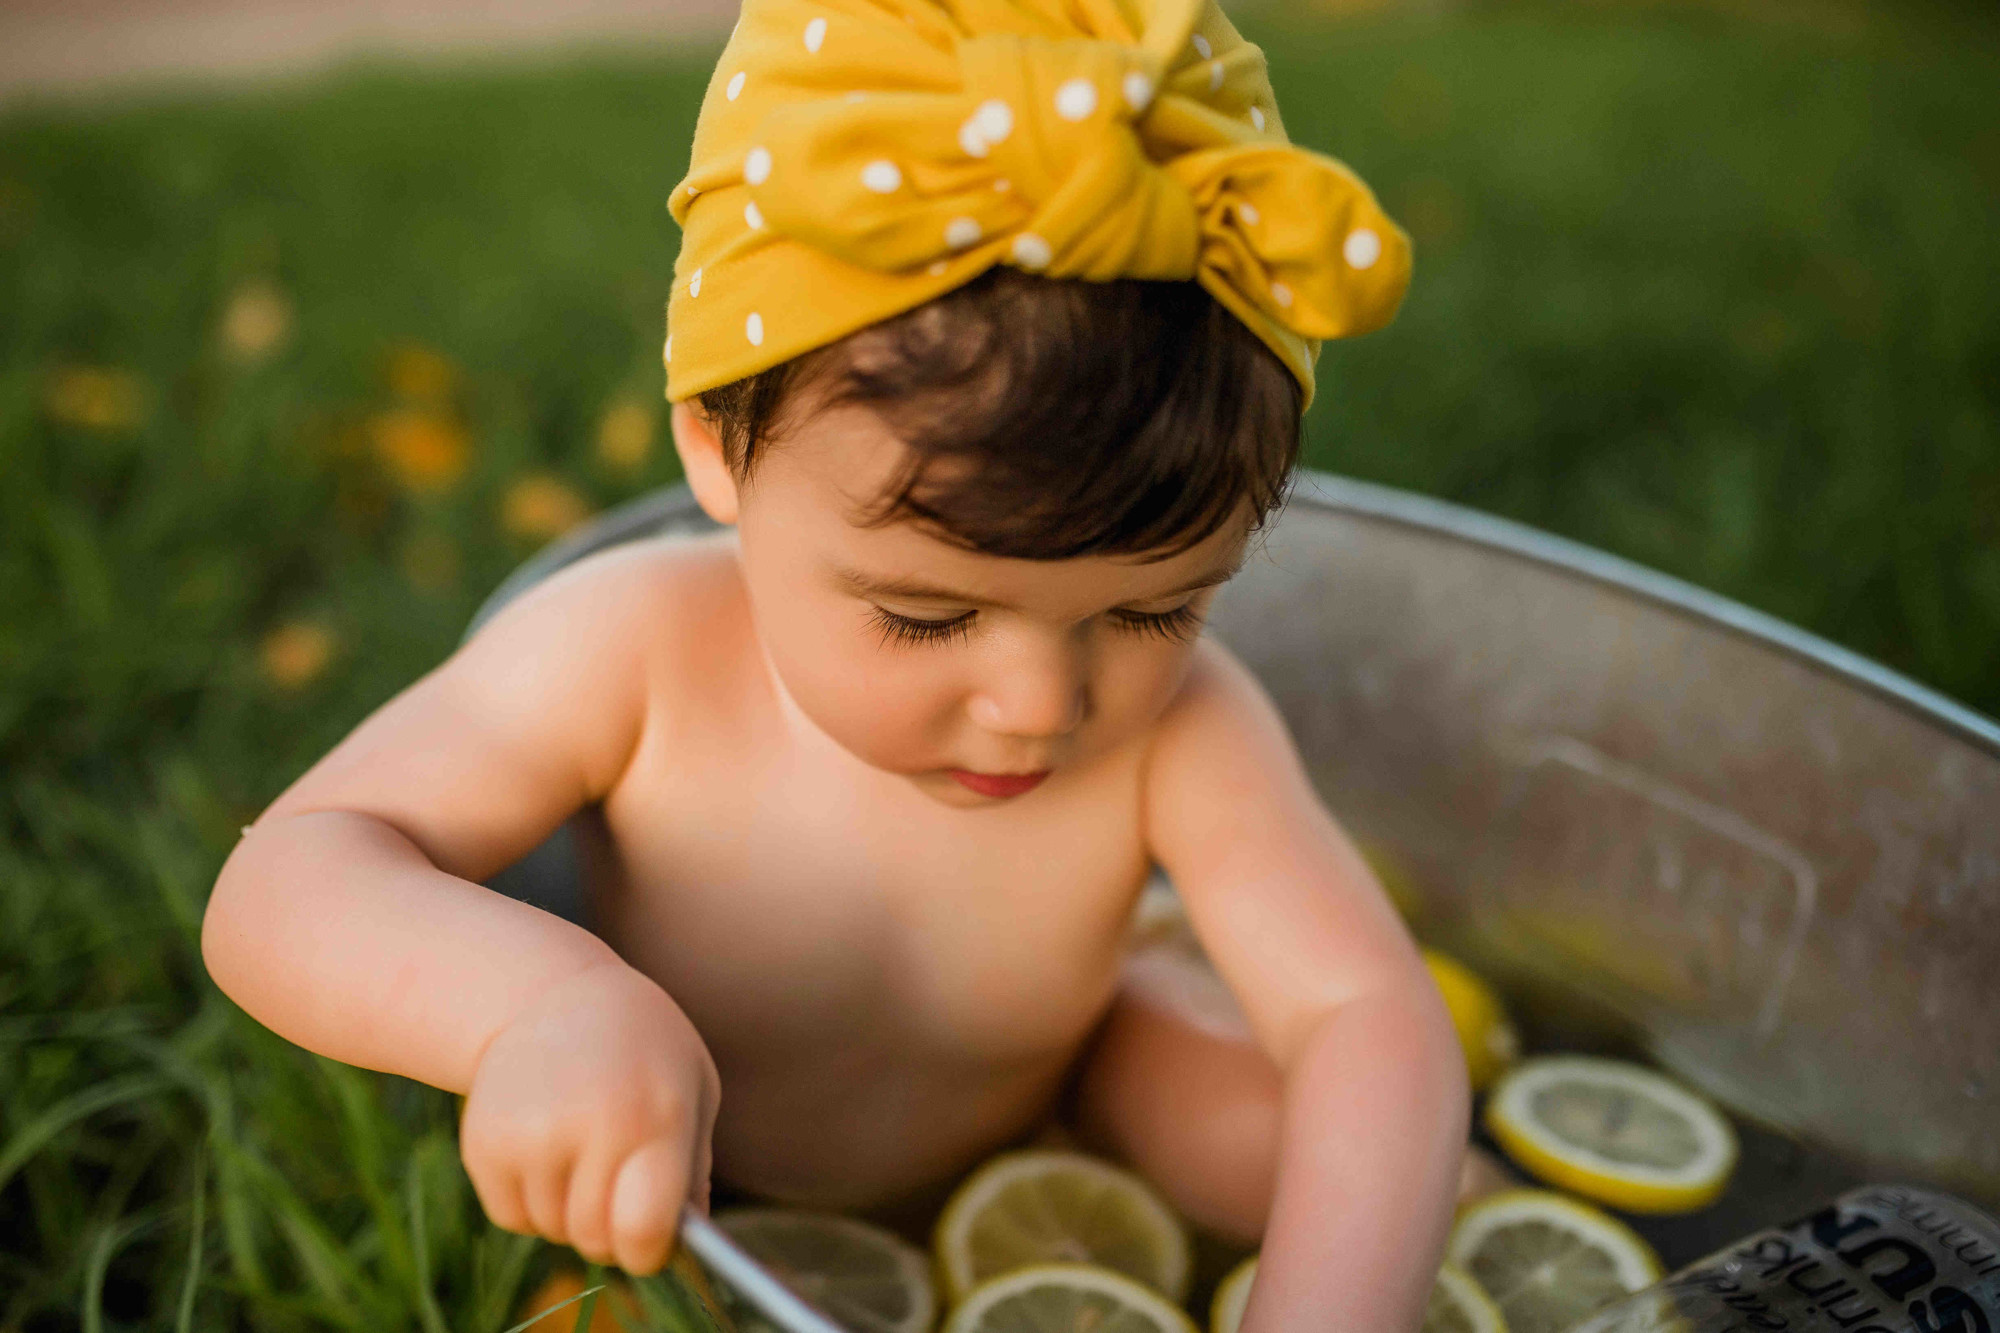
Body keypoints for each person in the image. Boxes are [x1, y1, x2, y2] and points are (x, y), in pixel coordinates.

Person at [200, 0, 1469, 1327]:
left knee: (1277, 1139)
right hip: (694, 1171)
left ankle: (1487, 1230)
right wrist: (538, 1007)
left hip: (1047, 1110)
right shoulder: (634, 650)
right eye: (926, 616)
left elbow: (1364, 1014)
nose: (1039, 706)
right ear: (715, 447)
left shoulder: (1188, 732)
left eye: (1154, 612)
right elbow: (291, 871)